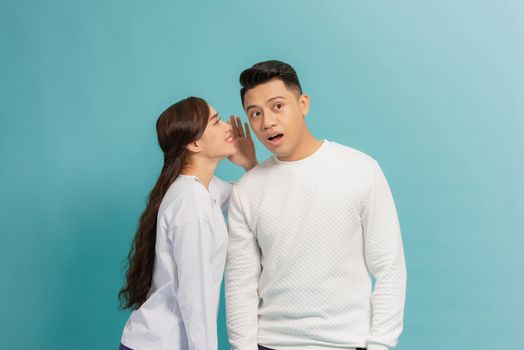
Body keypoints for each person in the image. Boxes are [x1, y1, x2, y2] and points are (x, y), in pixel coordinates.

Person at [225, 60, 407, 350]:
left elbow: (390, 267)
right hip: (271, 343)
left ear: (303, 104)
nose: (267, 122)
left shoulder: (361, 170)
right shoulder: (247, 190)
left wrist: (380, 345)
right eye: (255, 113)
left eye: (277, 106)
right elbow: (240, 284)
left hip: (346, 343)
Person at [118, 96, 257, 350]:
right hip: (160, 343)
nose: (228, 127)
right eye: (216, 122)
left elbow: (249, 195)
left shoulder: (203, 190)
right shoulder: (191, 203)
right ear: (193, 143)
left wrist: (249, 163)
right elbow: (196, 296)